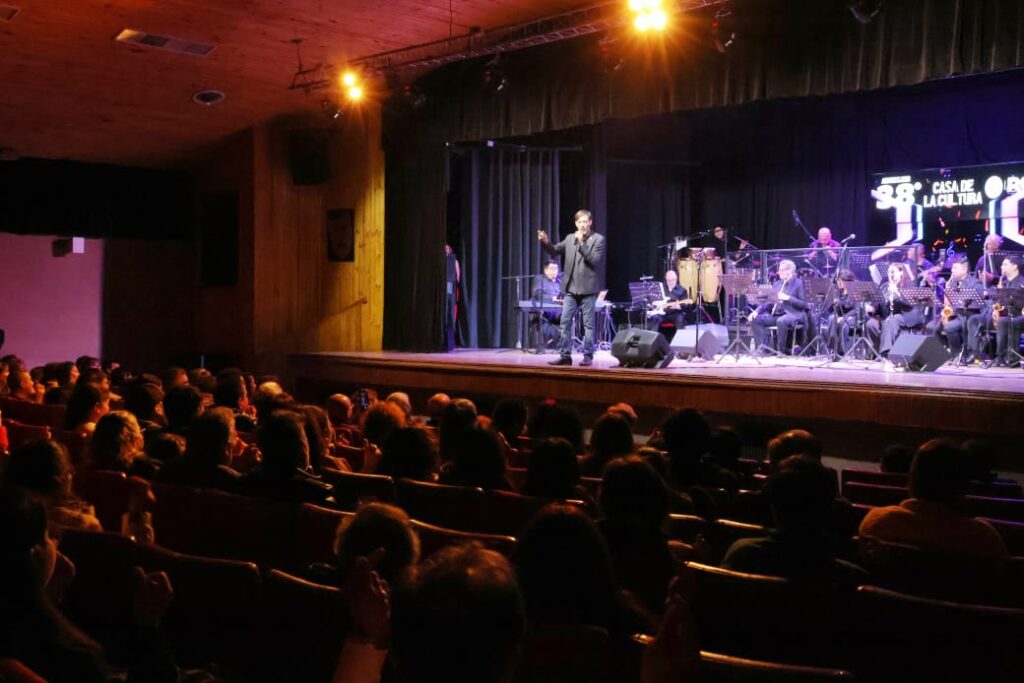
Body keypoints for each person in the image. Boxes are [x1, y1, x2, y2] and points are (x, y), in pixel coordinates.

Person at [538, 209, 606, 367]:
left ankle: (588, 355)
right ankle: (565, 356)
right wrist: (545, 242)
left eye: (585, 221)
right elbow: (554, 250)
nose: (582, 225)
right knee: (565, 322)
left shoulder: (598, 239)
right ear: (576, 223)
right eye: (579, 222)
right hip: (570, 289)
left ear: (590, 223)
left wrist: (582, 243)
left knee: (588, 324)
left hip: (588, 290)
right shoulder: (570, 238)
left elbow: (594, 260)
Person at [965, 254, 1024, 365]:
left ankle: (1000, 356)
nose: (1002, 267)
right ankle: (975, 353)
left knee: (1002, 321)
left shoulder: (1022, 283)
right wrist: (994, 310)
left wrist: (1003, 296)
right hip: (1002, 315)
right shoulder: (1004, 282)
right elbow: (996, 303)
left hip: (1016, 316)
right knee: (974, 319)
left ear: (1015, 266)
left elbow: (1018, 304)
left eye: (1005, 264)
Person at [924, 255, 981, 358]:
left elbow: (973, 304)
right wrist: (947, 289)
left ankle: (958, 354)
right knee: (930, 326)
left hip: (966, 315)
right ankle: (945, 351)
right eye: (952, 268)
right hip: (953, 315)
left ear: (964, 270)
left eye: (955, 268)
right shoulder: (952, 283)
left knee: (949, 327)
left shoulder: (975, 283)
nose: (952, 270)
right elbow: (947, 304)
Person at [749, 259, 809, 354]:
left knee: (781, 321)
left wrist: (788, 298)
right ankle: (762, 348)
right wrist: (756, 311)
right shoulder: (777, 284)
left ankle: (781, 350)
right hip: (777, 315)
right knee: (755, 319)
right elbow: (769, 302)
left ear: (789, 271)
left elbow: (804, 304)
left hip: (793, 314)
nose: (779, 272)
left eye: (781, 270)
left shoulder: (799, 283)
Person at [872, 262, 927, 356]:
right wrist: (873, 308)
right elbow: (880, 304)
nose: (891, 275)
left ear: (901, 273)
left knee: (891, 321)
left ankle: (886, 353)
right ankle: (874, 354)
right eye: (889, 272)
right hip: (890, 316)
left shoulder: (910, 285)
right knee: (871, 324)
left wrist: (897, 292)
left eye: (893, 272)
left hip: (907, 316)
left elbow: (909, 304)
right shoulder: (885, 286)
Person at [646, 269, 693, 335]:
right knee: (654, 318)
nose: (670, 282)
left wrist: (679, 307)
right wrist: (655, 304)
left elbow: (686, 305)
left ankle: (681, 339)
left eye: (672, 280)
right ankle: (652, 338)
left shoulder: (682, 290)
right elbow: (652, 299)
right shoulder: (661, 288)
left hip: (675, 314)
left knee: (680, 318)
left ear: (676, 279)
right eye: (668, 280)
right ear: (666, 279)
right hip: (661, 314)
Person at [530, 260, 562, 349]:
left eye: (556, 269)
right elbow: (537, 295)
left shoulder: (559, 282)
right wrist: (553, 298)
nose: (554, 271)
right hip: (544, 314)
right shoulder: (540, 279)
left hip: (559, 313)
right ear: (545, 270)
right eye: (552, 269)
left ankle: (565, 346)